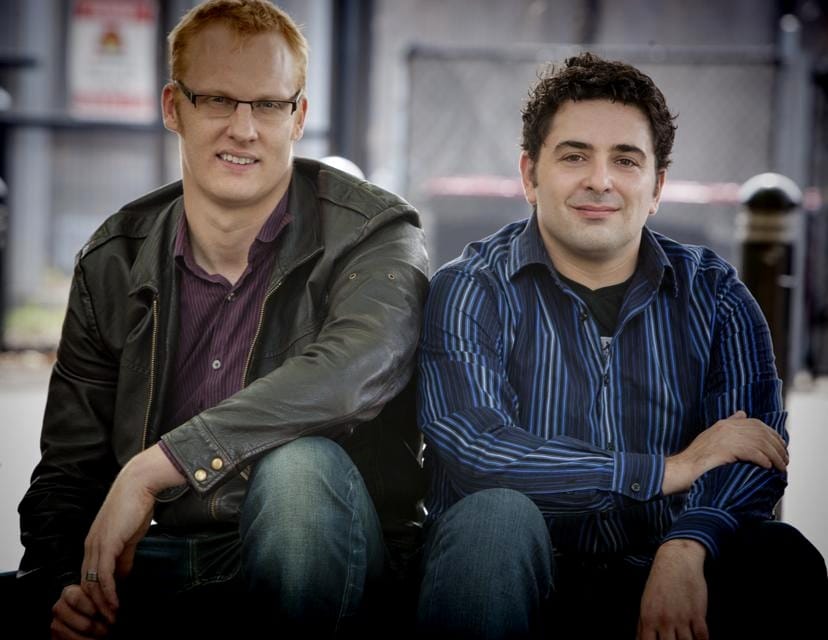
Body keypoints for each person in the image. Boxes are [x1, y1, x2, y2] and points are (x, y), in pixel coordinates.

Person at [15, 1, 428, 637]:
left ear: (299, 117)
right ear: (172, 107)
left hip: (334, 558)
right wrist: (64, 586)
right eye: (217, 100)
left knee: (297, 473)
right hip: (165, 557)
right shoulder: (113, 260)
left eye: (269, 104)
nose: (244, 128)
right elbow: (68, 473)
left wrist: (156, 467)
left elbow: (353, 372)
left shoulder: (373, 233)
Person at [415, 52, 827, 639]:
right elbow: (478, 453)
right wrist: (668, 470)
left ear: (656, 187)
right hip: (517, 577)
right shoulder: (471, 288)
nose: (600, 180)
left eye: (626, 160)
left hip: (667, 572)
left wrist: (687, 545)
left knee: (779, 555)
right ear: (530, 175)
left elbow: (754, 455)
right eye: (574, 156)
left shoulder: (715, 295)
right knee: (492, 520)